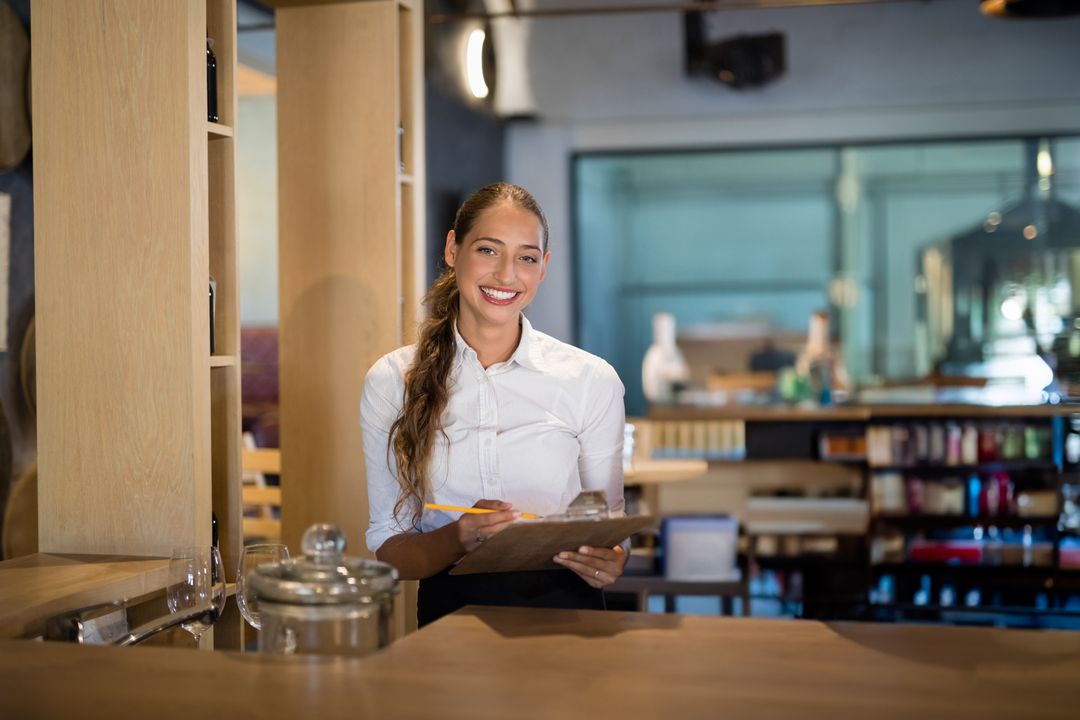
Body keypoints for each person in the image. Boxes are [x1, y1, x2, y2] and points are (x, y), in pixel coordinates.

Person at [361, 182, 628, 626]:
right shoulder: (392, 381)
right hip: (450, 621)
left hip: (569, 617)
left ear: (543, 268)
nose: (507, 275)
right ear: (453, 249)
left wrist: (611, 560)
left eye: (526, 257)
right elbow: (391, 550)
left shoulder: (590, 379)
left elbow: (610, 523)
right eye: (488, 250)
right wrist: (457, 537)